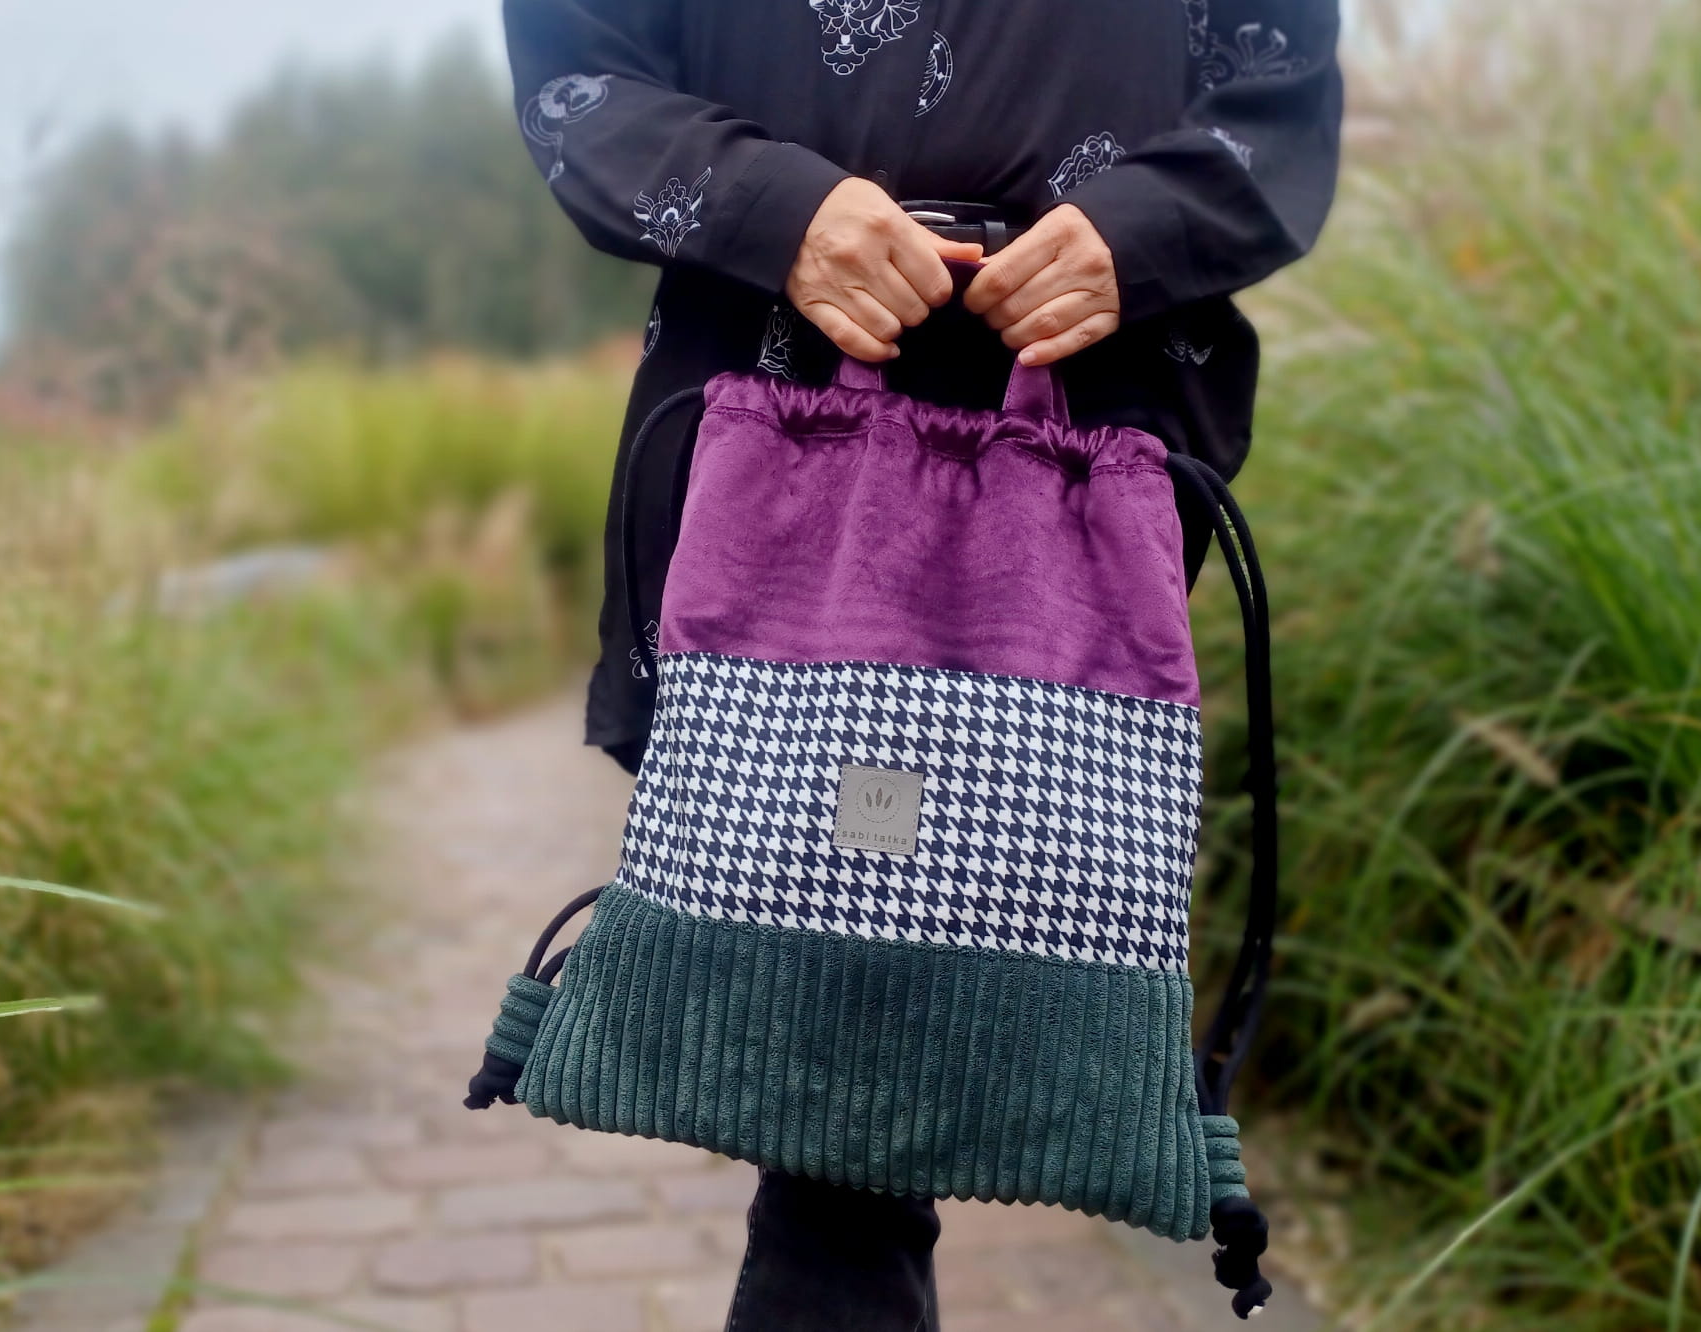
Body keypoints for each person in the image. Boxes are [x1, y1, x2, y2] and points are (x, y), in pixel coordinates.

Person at [502, 2, 1343, 1327]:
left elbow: (1278, 88)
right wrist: (778, 210)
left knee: (880, 997)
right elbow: (581, 68)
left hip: (1085, 446)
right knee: (849, 1014)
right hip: (777, 421)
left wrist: (1136, 230)